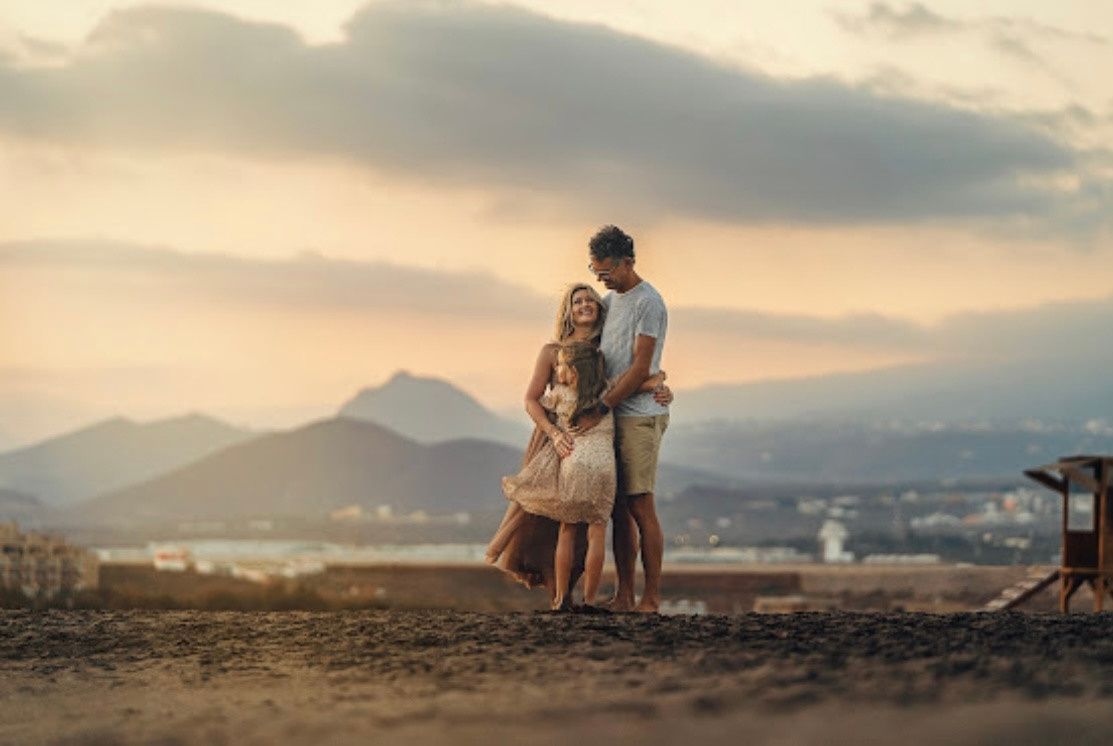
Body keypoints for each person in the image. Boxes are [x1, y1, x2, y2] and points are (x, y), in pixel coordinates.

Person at [486, 282, 670, 607]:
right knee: (546, 520)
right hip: (554, 438)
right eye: (577, 301)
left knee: (593, 521)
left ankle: (601, 595)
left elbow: (627, 381)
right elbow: (531, 399)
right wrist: (554, 434)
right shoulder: (551, 351)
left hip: (601, 440)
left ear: (600, 308)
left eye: (590, 300)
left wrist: (661, 389)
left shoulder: (605, 352)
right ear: (568, 311)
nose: (585, 304)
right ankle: (561, 594)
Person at [575, 225, 669, 613]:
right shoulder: (612, 302)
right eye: (596, 272)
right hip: (613, 415)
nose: (601, 280)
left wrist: (602, 407)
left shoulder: (649, 303)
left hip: (638, 417)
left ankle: (650, 598)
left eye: (606, 272)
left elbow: (638, 368)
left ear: (628, 262)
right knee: (616, 509)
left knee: (640, 505)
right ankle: (625, 595)